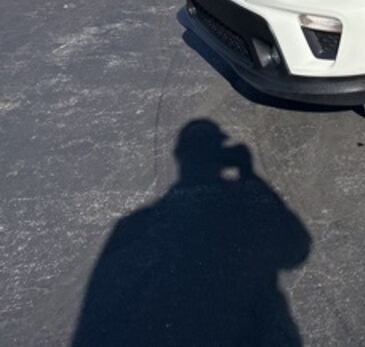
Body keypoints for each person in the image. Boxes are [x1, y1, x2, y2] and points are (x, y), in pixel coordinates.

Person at [71, 119, 311, 347]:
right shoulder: (244, 205)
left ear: (180, 156)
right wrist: (251, 177)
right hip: (251, 332)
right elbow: (296, 250)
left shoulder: (134, 225)